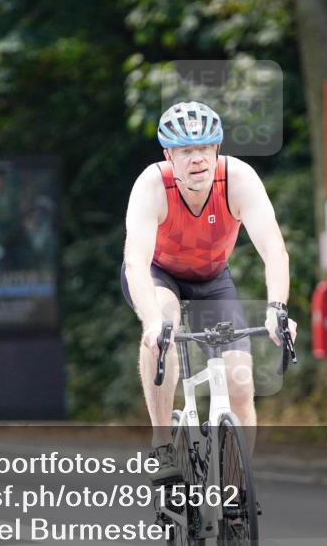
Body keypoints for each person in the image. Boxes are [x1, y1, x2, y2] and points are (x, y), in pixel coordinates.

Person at [121, 101, 297, 484]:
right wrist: (152, 322)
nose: (197, 159)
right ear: (169, 156)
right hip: (159, 275)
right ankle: (162, 443)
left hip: (213, 280)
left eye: (204, 148)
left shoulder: (239, 179)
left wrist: (276, 308)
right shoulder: (152, 186)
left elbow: (274, 250)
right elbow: (135, 262)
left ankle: (235, 487)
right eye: (185, 151)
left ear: (217, 148)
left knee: (240, 385)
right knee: (164, 328)